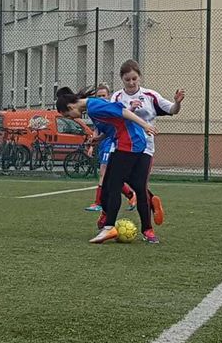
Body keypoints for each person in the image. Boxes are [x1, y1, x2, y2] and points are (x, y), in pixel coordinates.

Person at [56, 87, 157, 244]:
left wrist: (145, 125)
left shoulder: (94, 107)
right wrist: (100, 138)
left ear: (70, 106)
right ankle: (147, 230)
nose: (72, 118)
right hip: (128, 142)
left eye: (68, 116)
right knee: (132, 185)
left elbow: (123, 112)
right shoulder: (92, 107)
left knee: (113, 186)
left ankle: (109, 226)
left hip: (129, 143)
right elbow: (115, 124)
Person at [112, 59, 185, 228]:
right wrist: (129, 109)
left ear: (140, 77)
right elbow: (113, 119)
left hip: (145, 147)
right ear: (122, 79)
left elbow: (172, 110)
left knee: (139, 184)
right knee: (116, 179)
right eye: (127, 79)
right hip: (123, 146)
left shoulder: (150, 96)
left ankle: (147, 229)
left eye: (134, 79)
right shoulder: (117, 97)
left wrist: (177, 102)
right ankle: (150, 200)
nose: (131, 83)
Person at [85, 83, 136, 212]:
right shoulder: (97, 111)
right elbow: (96, 130)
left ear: (108, 96)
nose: (101, 98)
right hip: (102, 144)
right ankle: (130, 194)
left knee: (103, 173)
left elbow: (123, 117)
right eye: (99, 96)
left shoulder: (110, 109)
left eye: (104, 95)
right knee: (109, 176)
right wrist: (92, 146)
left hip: (111, 143)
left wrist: (132, 108)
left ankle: (98, 203)